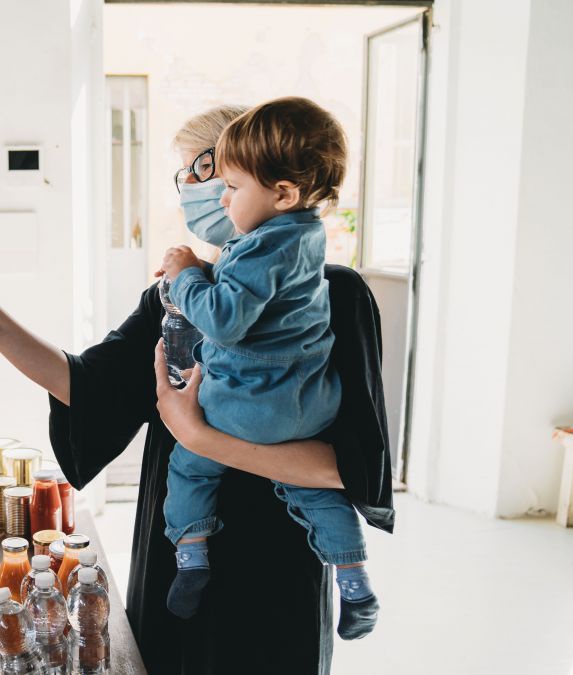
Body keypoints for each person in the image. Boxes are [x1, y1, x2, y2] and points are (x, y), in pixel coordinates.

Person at [0, 104, 394, 674]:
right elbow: (83, 385)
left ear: (262, 177)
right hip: (178, 560)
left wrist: (199, 437)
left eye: (198, 173)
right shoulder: (175, 297)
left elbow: (349, 468)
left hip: (275, 568)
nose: (190, 190)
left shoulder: (336, 296)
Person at [157, 97, 378, 639]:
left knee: (190, 463)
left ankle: (190, 555)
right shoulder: (308, 238)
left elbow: (226, 319)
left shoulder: (257, 248)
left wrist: (186, 276)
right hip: (308, 408)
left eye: (227, 185)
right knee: (316, 493)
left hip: (247, 405)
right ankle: (352, 577)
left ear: (282, 192)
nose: (220, 198)